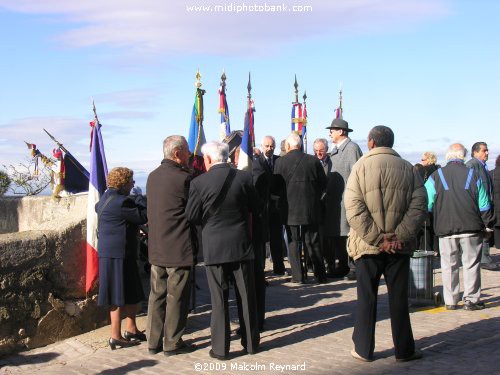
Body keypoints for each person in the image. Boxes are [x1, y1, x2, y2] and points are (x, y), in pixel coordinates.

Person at [345, 125, 427, 362]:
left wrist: (378, 238)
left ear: (370, 142)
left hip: (368, 246)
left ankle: (362, 348)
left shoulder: (359, 167)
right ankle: (404, 349)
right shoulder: (409, 169)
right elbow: (419, 205)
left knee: (366, 298)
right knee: (399, 298)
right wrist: (397, 236)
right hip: (397, 247)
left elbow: (353, 207)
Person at [186, 141, 260, 360]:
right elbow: (256, 208)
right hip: (240, 243)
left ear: (208, 159)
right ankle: (251, 344)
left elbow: (191, 215)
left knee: (219, 298)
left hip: (214, 246)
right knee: (246, 296)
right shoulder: (245, 178)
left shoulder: (198, 183)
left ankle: (220, 348)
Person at [425, 143, 495, 310]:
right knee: (471, 264)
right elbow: (484, 204)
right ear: (463, 156)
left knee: (449, 265)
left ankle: (450, 300)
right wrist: (488, 225)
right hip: (471, 227)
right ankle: (471, 299)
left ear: (448, 156)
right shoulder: (473, 174)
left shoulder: (435, 176)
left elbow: (426, 203)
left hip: (445, 228)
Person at [145, 135, 197, 356]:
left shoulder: (152, 176)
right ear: (177, 153)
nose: (189, 155)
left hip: (157, 246)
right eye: (186, 151)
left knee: (156, 294)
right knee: (177, 296)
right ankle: (172, 342)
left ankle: (153, 341)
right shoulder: (184, 179)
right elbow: (193, 211)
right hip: (178, 246)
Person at [96, 167, 148, 350]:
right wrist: (140, 197)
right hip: (118, 254)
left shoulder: (103, 199)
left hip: (115, 253)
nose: (133, 184)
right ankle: (115, 335)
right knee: (117, 294)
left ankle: (131, 329)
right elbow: (142, 216)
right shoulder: (122, 202)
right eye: (131, 181)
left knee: (131, 291)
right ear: (124, 183)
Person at [274, 133, 327, 284]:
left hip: (290, 210)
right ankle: (320, 275)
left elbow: (276, 188)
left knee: (293, 242)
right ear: (300, 145)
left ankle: (298, 276)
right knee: (314, 241)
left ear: (288, 146)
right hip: (311, 208)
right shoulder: (313, 161)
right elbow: (323, 184)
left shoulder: (280, 162)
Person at [324, 118, 362, 279]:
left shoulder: (352, 148)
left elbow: (357, 175)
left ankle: (354, 267)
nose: (330, 133)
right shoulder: (335, 149)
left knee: (349, 234)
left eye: (332, 130)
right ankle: (343, 266)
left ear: (341, 131)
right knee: (338, 235)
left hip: (347, 201)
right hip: (335, 202)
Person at [253, 135, 285, 275]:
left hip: (276, 208)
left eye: (271, 146)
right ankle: (261, 269)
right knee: (262, 240)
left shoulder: (279, 161)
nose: (269, 149)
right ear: (262, 146)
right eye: (266, 146)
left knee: (277, 239)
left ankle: (279, 267)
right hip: (263, 207)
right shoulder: (256, 162)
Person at [466, 142, 498, 270]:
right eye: (484, 150)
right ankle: (483, 259)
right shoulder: (471, 165)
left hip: (484, 205)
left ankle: (484, 257)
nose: (487, 153)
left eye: (487, 150)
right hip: (477, 206)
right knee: (482, 230)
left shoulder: (482, 166)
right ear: (475, 152)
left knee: (485, 231)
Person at [313, 138, 334, 274]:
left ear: (326, 150)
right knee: (319, 237)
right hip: (317, 205)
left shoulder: (332, 161)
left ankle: (331, 263)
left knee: (330, 237)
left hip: (331, 203)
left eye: (321, 150)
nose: (319, 153)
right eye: (316, 150)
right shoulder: (312, 162)